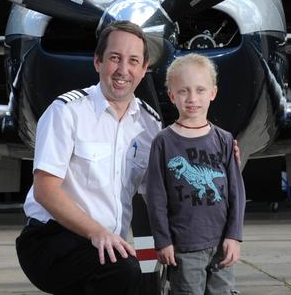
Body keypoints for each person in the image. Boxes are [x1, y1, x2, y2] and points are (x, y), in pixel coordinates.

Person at [15, 20, 162, 295]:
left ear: (144, 70)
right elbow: (45, 191)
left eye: (133, 61)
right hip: (50, 239)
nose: (122, 70)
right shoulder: (67, 111)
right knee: (125, 272)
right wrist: (98, 232)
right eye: (114, 58)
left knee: (147, 280)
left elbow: (154, 196)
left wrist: (221, 157)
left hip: (107, 246)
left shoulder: (150, 126)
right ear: (97, 62)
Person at [145, 53, 246, 295]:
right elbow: (156, 197)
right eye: (183, 91)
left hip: (221, 243)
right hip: (184, 246)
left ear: (213, 92)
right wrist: (163, 241)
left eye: (200, 90)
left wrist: (235, 236)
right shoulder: (163, 142)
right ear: (171, 95)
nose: (192, 98)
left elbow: (236, 192)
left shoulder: (224, 139)